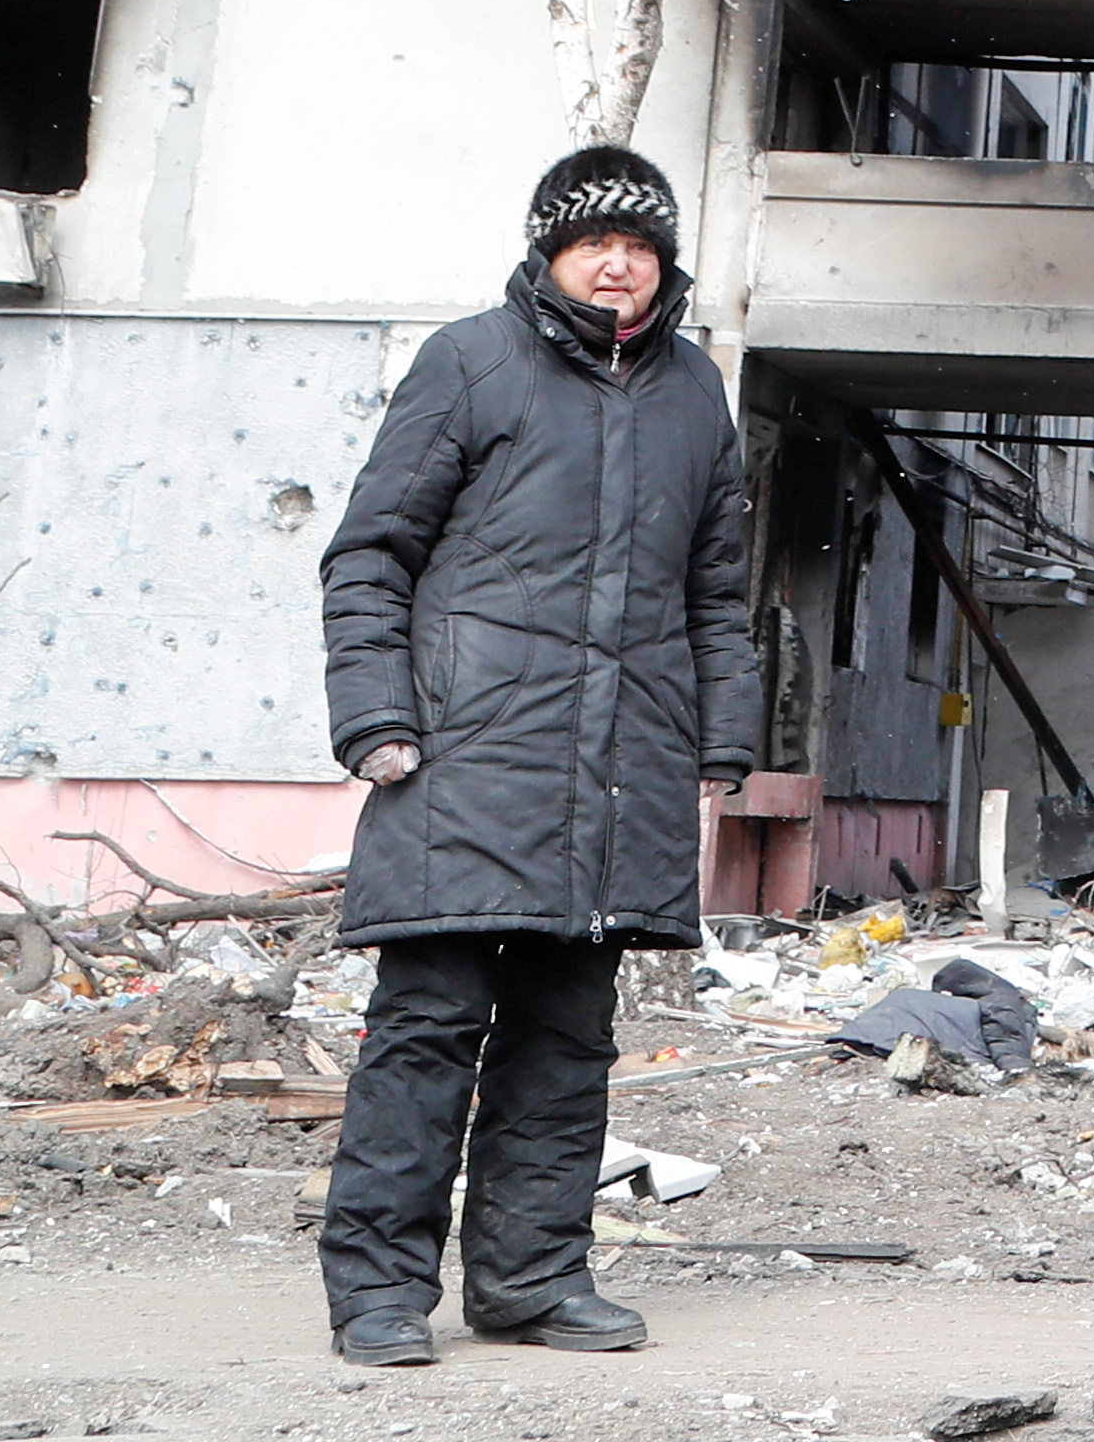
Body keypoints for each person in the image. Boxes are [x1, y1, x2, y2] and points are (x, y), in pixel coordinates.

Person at [309, 144, 758, 1367]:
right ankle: (379, 1294)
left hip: (619, 773)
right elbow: (371, 554)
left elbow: (715, 591)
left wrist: (723, 735)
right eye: (593, 242)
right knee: (426, 1033)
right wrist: (374, 716)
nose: (618, 265)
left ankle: (532, 1282)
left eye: (640, 245)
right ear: (550, 252)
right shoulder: (471, 361)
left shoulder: (694, 391)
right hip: (462, 762)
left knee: (566, 1043)